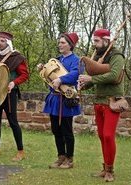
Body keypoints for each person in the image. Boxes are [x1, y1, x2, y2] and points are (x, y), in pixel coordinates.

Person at [78, 29, 125, 182]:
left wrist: (90, 79)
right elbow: (94, 79)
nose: (95, 44)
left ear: (106, 40)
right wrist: (83, 85)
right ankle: (105, 168)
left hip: (112, 101)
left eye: (97, 41)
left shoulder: (117, 56)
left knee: (108, 136)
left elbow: (113, 75)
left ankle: (110, 171)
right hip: (98, 101)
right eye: (94, 41)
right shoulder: (98, 56)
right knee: (101, 136)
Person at [38, 32, 82, 169]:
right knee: (56, 129)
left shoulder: (77, 60)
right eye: (59, 42)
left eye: (63, 43)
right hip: (54, 99)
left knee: (67, 130)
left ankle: (69, 159)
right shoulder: (57, 60)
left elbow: (76, 74)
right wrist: (42, 69)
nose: (60, 45)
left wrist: (61, 79)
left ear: (70, 45)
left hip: (66, 99)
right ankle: (60, 156)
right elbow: (49, 75)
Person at [0, 31, 29, 161]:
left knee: (13, 122)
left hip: (9, 94)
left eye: (2, 41)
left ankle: (21, 151)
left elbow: (25, 75)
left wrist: (14, 83)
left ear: (8, 42)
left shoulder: (17, 58)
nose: (0, 43)